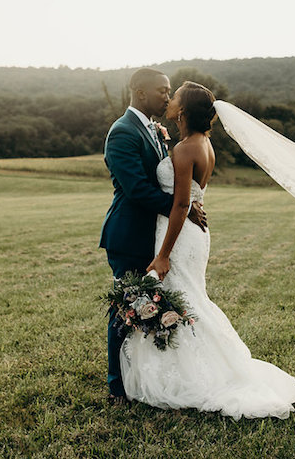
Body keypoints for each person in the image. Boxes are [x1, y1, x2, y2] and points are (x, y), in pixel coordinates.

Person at [119, 81, 295, 419]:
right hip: (195, 234)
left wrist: (163, 254)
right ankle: (205, 366)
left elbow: (181, 204)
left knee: (183, 297)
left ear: (182, 111)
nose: (169, 99)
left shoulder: (185, 149)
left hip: (178, 235)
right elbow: (188, 195)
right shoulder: (200, 144)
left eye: (175, 96)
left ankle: (195, 375)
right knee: (190, 297)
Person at [100, 68, 206, 405]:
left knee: (151, 309)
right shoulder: (121, 133)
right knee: (126, 309)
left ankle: (145, 378)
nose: (167, 96)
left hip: (157, 235)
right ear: (140, 92)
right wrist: (182, 207)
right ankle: (117, 387)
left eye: (170, 91)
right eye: (162, 90)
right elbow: (137, 190)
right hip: (129, 234)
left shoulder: (153, 130)